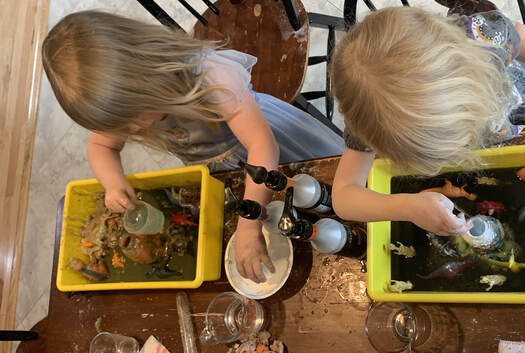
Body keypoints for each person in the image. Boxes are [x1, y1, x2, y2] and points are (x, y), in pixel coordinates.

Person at [42, 11, 344, 283]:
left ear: (148, 77)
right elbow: (100, 146)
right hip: (226, 171)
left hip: (275, 147)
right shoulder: (125, 106)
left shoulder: (209, 76)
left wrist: (250, 225)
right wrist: (112, 183)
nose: (131, 131)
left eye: (131, 119)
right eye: (121, 125)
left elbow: (263, 148)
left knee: (325, 189)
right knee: (287, 221)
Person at [331, 7, 525, 235]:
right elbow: (343, 196)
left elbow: (519, 33)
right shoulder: (369, 117)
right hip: (494, 154)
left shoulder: (481, 38)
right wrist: (405, 206)